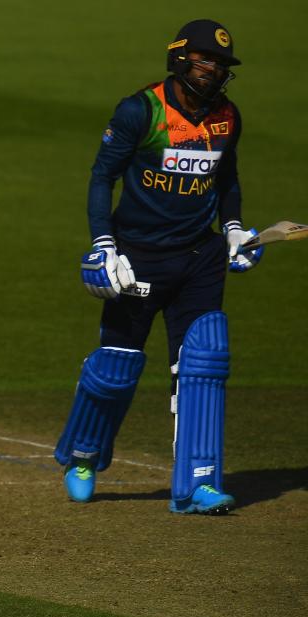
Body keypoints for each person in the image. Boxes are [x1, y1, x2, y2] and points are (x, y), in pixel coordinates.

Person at [53, 20, 264, 514]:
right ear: (179, 58)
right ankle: (83, 455)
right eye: (204, 60)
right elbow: (102, 178)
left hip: (198, 256)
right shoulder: (140, 110)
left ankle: (198, 485)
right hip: (138, 255)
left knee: (203, 362)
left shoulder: (227, 117)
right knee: (116, 365)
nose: (212, 71)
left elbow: (226, 181)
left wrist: (233, 229)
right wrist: (104, 244)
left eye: (220, 65)